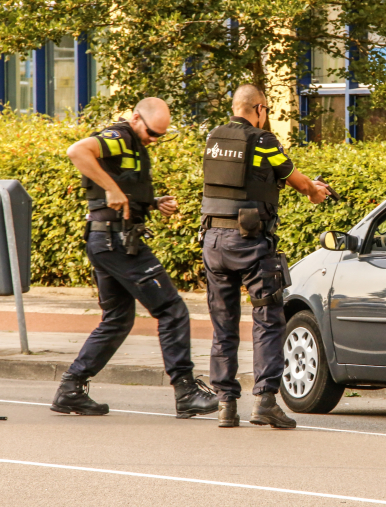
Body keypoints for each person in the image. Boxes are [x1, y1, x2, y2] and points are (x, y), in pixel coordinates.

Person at [51, 98, 218, 419]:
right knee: (172, 309)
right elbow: (77, 151)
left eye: (160, 136)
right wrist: (112, 189)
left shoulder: (134, 146)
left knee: (118, 319)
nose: (153, 140)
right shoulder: (120, 136)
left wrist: (153, 202)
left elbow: (124, 189)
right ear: (137, 118)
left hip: (108, 240)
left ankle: (71, 389)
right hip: (116, 241)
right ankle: (185, 392)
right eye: (152, 133)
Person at [202, 84, 329, 428]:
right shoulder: (263, 141)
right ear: (258, 108)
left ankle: (226, 404)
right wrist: (316, 190)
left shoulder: (214, 137)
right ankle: (265, 401)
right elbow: (298, 182)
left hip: (212, 241)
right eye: (267, 110)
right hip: (249, 242)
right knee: (268, 318)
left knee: (223, 323)